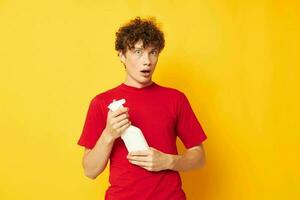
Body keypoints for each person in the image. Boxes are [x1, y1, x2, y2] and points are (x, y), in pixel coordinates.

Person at [77, 16, 208, 200]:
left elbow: (199, 157)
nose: (147, 60)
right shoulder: (101, 103)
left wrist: (169, 161)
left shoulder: (175, 99)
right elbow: (90, 171)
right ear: (122, 55)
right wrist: (108, 134)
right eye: (138, 52)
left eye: (153, 52)